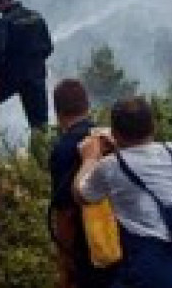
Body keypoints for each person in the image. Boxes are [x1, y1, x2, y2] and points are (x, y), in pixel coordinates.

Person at [73, 97, 172, 288]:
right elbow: (144, 158)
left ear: (115, 132)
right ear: (153, 126)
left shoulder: (111, 167)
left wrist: (89, 158)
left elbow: (81, 195)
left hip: (146, 274)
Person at [49, 79, 117, 288]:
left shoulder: (64, 149)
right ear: (87, 107)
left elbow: (66, 212)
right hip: (119, 245)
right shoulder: (109, 140)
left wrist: (66, 266)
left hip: (87, 250)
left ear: (58, 113)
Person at [0, 0, 53, 144]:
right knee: (39, 124)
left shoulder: (3, 23)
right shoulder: (36, 17)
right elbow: (48, 47)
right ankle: (42, 158)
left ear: (4, 0)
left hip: (13, 77)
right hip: (36, 76)